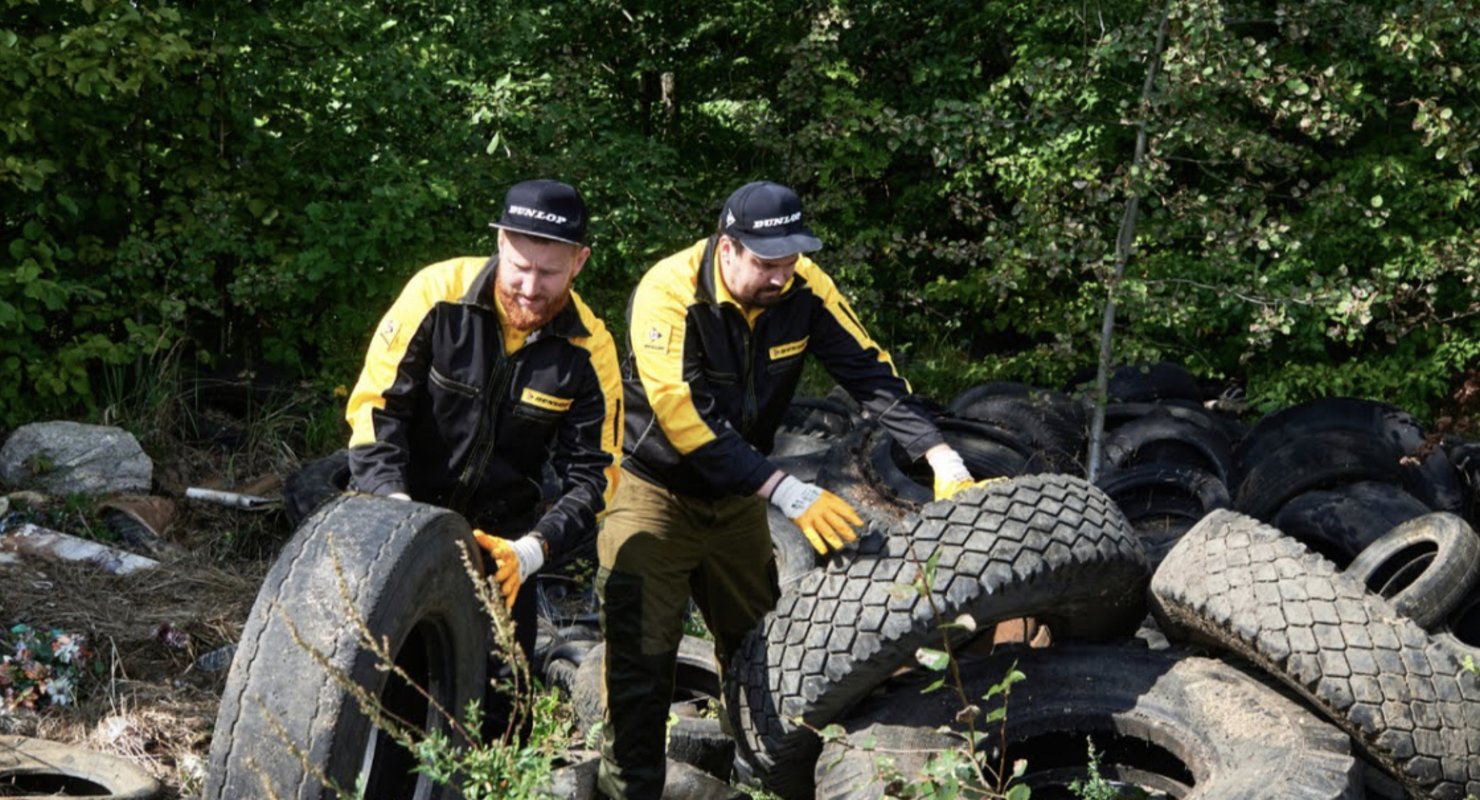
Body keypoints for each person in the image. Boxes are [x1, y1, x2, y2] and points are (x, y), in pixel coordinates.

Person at [596, 180, 987, 797]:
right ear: (728, 249)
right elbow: (683, 417)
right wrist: (787, 491)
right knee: (642, 658)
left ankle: (762, 781)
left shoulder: (805, 285)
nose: (782, 276)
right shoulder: (668, 293)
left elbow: (868, 370)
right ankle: (629, 791)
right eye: (766, 263)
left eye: (790, 260)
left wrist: (941, 456)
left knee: (761, 649)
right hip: (655, 491)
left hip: (740, 496)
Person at [344, 178, 623, 670]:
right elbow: (375, 411)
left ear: (580, 261)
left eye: (550, 273)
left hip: (503, 551)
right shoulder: (437, 296)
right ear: (500, 243)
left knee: (498, 711)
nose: (531, 288)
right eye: (520, 267)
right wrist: (397, 514)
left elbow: (596, 478)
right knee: (368, 676)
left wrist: (532, 551)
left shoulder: (589, 351)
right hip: (395, 516)